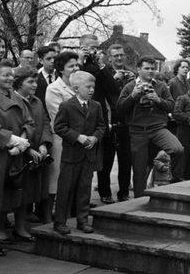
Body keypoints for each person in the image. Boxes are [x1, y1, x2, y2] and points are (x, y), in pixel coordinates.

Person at [117, 56, 184, 197]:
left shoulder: (160, 86)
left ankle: (171, 177)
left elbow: (171, 106)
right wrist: (133, 96)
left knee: (177, 149)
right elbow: (120, 108)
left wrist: (158, 100)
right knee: (139, 171)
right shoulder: (129, 86)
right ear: (138, 69)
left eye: (153, 68)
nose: (150, 71)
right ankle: (138, 202)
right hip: (137, 131)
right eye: (146, 68)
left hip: (158, 128)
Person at [52, 71, 105, 235]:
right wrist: (78, 137)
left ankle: (83, 220)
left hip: (88, 157)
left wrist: (95, 138)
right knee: (65, 190)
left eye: (93, 87)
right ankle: (60, 222)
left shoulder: (96, 106)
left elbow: (101, 126)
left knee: (84, 189)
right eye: (88, 87)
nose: (91, 90)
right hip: (71, 156)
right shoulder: (67, 105)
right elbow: (59, 127)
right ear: (76, 88)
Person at [0, 61, 36, 245]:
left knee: (8, 198)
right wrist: (12, 140)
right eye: (5, 75)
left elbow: (30, 121)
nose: (10, 78)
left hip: (15, 156)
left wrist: (24, 139)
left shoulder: (17, 98)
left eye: (11, 75)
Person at [77, 34, 119, 204]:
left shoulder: (100, 66)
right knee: (84, 159)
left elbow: (113, 89)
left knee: (107, 155)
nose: (93, 50)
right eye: (89, 47)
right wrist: (80, 60)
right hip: (82, 115)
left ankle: (105, 190)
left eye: (95, 47)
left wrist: (102, 65)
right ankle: (81, 199)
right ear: (81, 47)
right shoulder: (77, 63)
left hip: (100, 114)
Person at [13, 66, 54, 224]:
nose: (35, 85)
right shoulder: (14, 100)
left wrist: (44, 144)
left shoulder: (37, 101)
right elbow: (15, 128)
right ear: (19, 83)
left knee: (31, 191)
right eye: (30, 82)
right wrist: (28, 149)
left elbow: (45, 123)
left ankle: (22, 225)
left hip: (38, 153)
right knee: (17, 193)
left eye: (36, 81)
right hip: (20, 153)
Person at [97, 44, 136, 203]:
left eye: (121, 55)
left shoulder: (131, 74)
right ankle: (104, 192)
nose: (119, 58)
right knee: (106, 161)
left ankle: (124, 192)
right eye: (115, 56)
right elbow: (100, 94)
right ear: (109, 58)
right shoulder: (104, 73)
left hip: (126, 122)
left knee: (126, 161)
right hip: (109, 121)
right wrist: (113, 79)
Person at [45, 51, 80, 220]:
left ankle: (66, 215)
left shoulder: (79, 86)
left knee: (72, 180)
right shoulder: (54, 88)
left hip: (78, 139)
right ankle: (47, 217)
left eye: (76, 65)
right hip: (60, 139)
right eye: (71, 66)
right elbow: (60, 116)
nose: (75, 68)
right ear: (61, 69)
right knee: (56, 180)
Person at [35, 46, 57, 112]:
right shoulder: (36, 80)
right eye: (49, 59)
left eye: (54, 58)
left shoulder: (62, 76)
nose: (53, 61)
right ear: (41, 61)